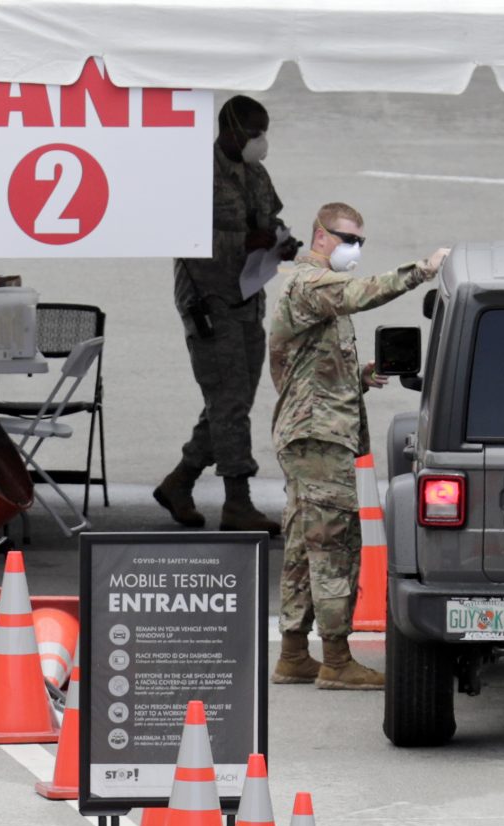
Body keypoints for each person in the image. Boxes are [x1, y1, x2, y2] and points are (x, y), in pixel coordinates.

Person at [267, 202, 447, 689]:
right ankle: (337, 660)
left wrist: (362, 375)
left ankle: (293, 654)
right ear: (319, 236)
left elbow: (309, 370)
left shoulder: (313, 294)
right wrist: (422, 270)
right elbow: (359, 293)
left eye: (360, 241)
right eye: (347, 238)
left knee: (306, 543)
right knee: (333, 545)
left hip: (313, 432)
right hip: (318, 437)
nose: (354, 249)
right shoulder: (310, 284)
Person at [155, 94, 297, 535]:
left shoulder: (255, 173)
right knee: (229, 402)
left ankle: (180, 481)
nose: (261, 141)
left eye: (264, 132)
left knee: (232, 400)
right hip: (209, 301)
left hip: (248, 296)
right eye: (254, 132)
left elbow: (270, 220)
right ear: (230, 129)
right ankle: (237, 500)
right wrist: (244, 244)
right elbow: (184, 238)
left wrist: (280, 242)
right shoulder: (198, 176)